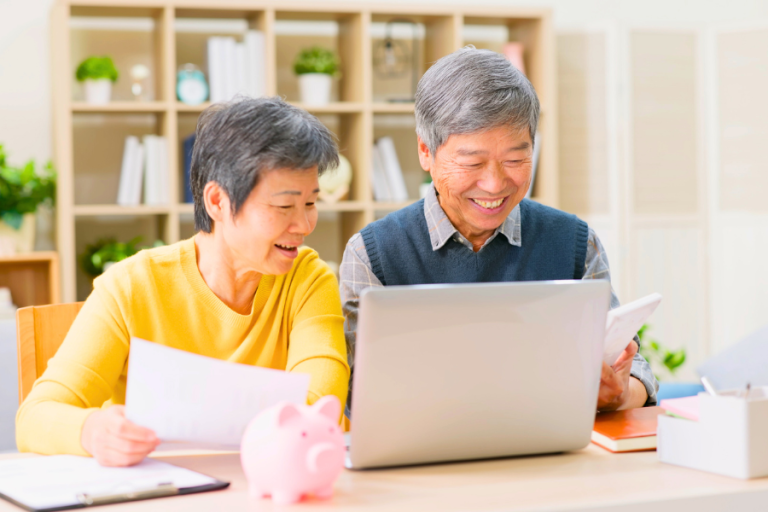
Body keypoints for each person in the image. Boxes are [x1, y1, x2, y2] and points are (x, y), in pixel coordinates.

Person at [16, 98, 349, 466]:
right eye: (285, 206)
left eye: (311, 204)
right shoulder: (132, 285)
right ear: (218, 201)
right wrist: (93, 430)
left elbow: (320, 405)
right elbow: (34, 418)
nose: (303, 225)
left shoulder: (308, 279)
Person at [340, 47, 658, 413]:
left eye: (515, 159)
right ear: (425, 151)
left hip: (552, 456)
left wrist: (620, 394)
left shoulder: (573, 243)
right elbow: (356, 397)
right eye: (472, 162)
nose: (494, 185)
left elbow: (633, 370)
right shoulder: (373, 255)